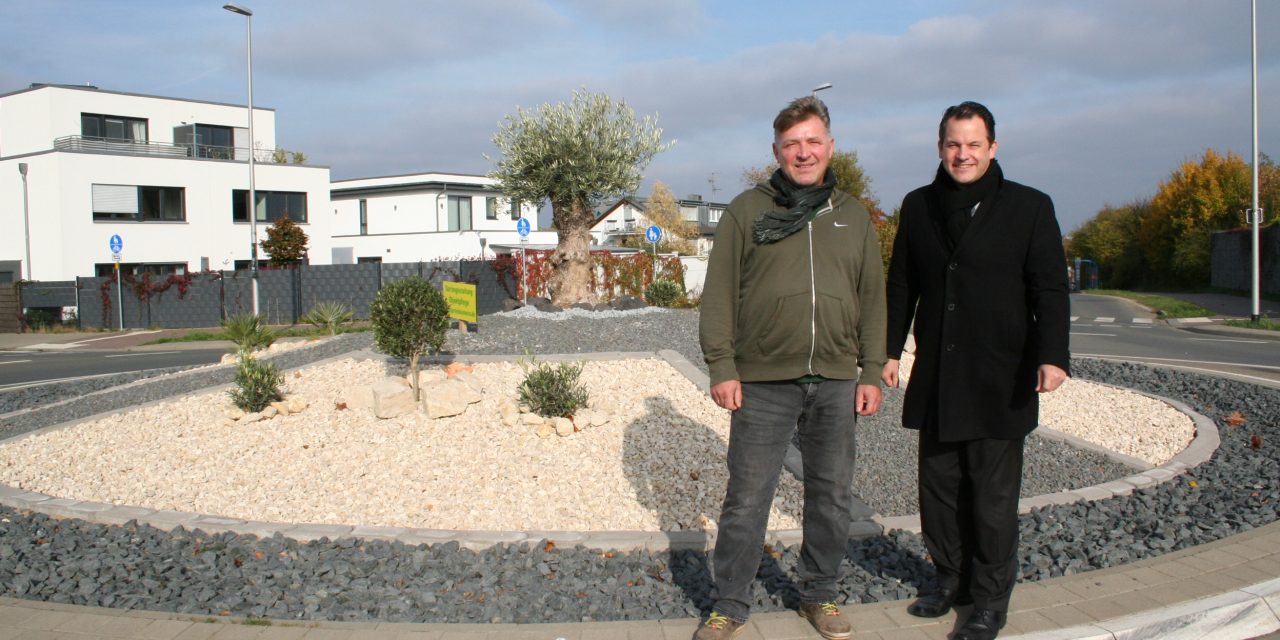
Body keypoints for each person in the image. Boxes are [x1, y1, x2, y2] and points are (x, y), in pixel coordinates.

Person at [696, 95, 887, 640]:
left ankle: (819, 595)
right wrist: (722, 366)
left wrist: (870, 371)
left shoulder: (851, 215)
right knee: (747, 498)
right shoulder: (747, 210)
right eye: (792, 144)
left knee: (830, 495)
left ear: (830, 146)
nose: (803, 153)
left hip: (834, 380)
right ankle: (730, 604)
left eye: (813, 142)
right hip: (761, 381)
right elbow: (719, 296)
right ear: (776, 151)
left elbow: (872, 299)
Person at [880, 101, 1070, 640]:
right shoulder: (918, 206)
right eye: (952, 144)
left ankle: (989, 600)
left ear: (993, 147)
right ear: (940, 147)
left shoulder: (1030, 207)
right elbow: (903, 285)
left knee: (991, 498)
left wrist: (1052, 355)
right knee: (938, 490)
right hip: (939, 373)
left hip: (1000, 376)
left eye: (973, 145)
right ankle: (950, 580)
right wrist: (889, 352)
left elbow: (1050, 288)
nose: (962, 155)